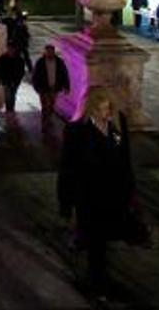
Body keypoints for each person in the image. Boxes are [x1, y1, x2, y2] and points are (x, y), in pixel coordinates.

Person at [58, 88, 140, 300]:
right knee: (97, 242)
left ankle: (97, 279)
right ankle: (96, 284)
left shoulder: (116, 128)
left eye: (109, 108)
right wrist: (66, 203)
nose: (108, 113)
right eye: (103, 109)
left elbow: (125, 161)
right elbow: (67, 168)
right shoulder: (76, 132)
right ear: (91, 110)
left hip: (113, 195)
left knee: (102, 241)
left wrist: (131, 191)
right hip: (89, 197)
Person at [32, 44, 70, 126]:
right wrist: (36, 87)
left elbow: (64, 74)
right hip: (43, 88)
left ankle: (48, 119)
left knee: (52, 105)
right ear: (45, 52)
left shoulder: (59, 62)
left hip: (54, 88)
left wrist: (66, 86)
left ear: (53, 52)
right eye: (48, 51)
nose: (49, 53)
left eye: (51, 51)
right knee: (45, 105)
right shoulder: (40, 62)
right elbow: (35, 75)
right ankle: (44, 121)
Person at [0, 41, 28, 113]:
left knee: (12, 94)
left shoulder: (19, 59)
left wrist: (18, 79)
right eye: (9, 48)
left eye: (12, 48)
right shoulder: (3, 58)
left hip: (15, 81)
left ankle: (11, 108)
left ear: (14, 49)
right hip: (6, 80)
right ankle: (9, 109)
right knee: (8, 95)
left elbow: (21, 71)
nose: (10, 50)